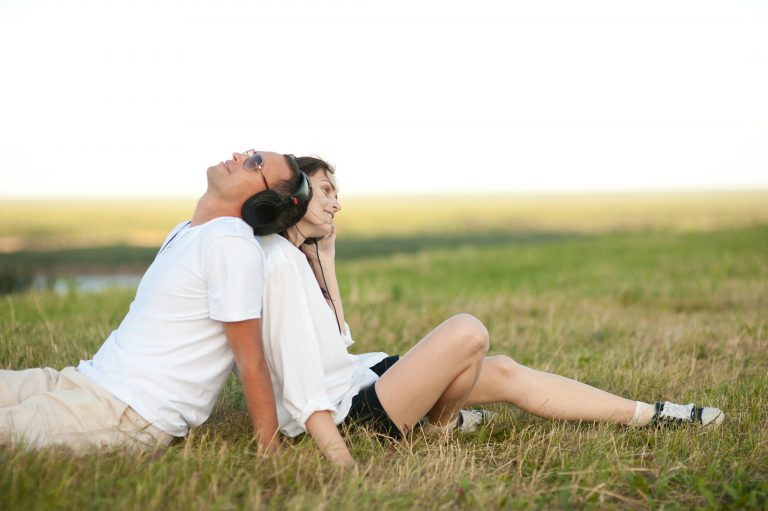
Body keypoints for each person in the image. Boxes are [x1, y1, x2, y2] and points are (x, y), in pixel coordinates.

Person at [257, 156, 725, 467]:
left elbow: (339, 343)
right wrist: (340, 461)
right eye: (325, 190)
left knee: (500, 370)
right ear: (295, 196)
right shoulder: (278, 262)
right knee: (466, 332)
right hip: (350, 412)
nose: (337, 201)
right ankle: (437, 426)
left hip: (362, 375)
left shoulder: (301, 258)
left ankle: (652, 413)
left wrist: (329, 260)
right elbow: (299, 379)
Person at [0, 149, 310, 453]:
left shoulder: (231, 244)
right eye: (249, 152)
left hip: (126, 414)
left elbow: (250, 360)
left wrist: (269, 452)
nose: (240, 156)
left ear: (263, 205)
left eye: (254, 163)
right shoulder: (188, 231)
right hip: (84, 381)